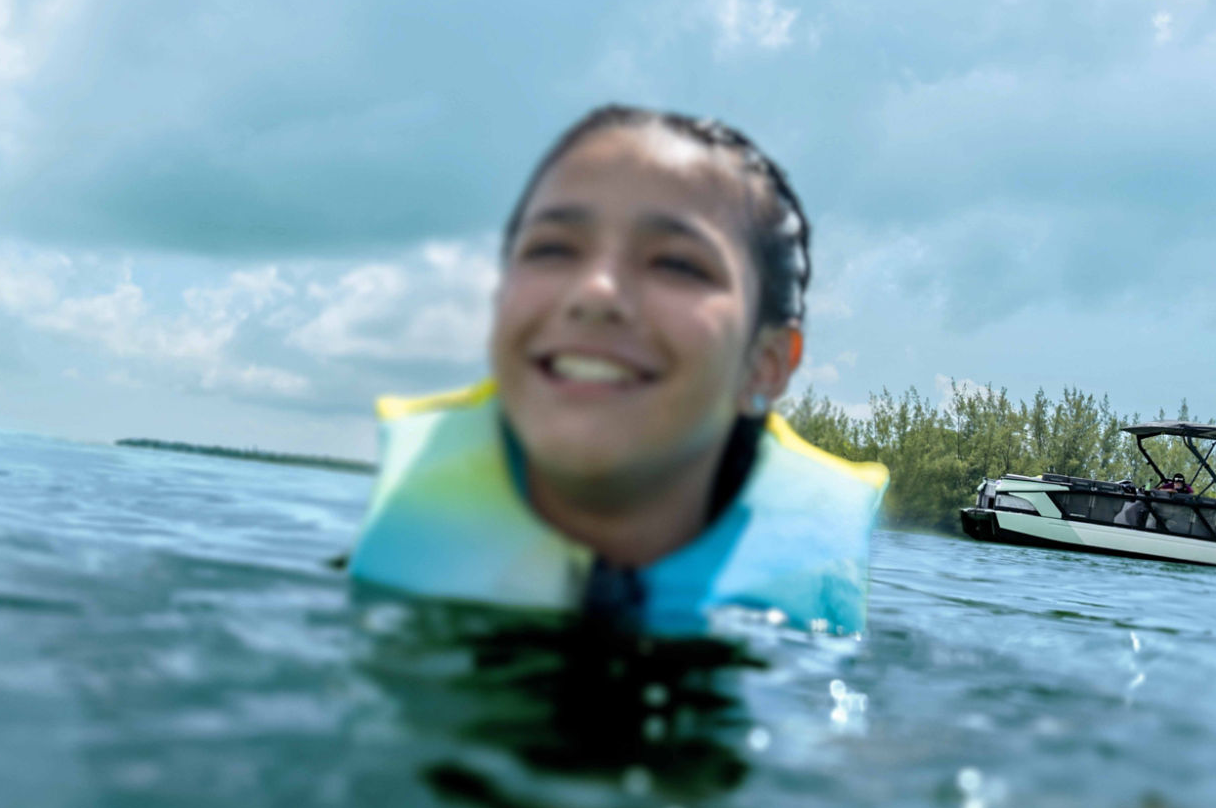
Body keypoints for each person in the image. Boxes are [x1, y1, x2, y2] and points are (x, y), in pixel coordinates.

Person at [348, 105, 887, 635]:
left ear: (764, 367)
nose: (596, 291)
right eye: (552, 248)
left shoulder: (805, 642)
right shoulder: (389, 576)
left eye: (676, 262)